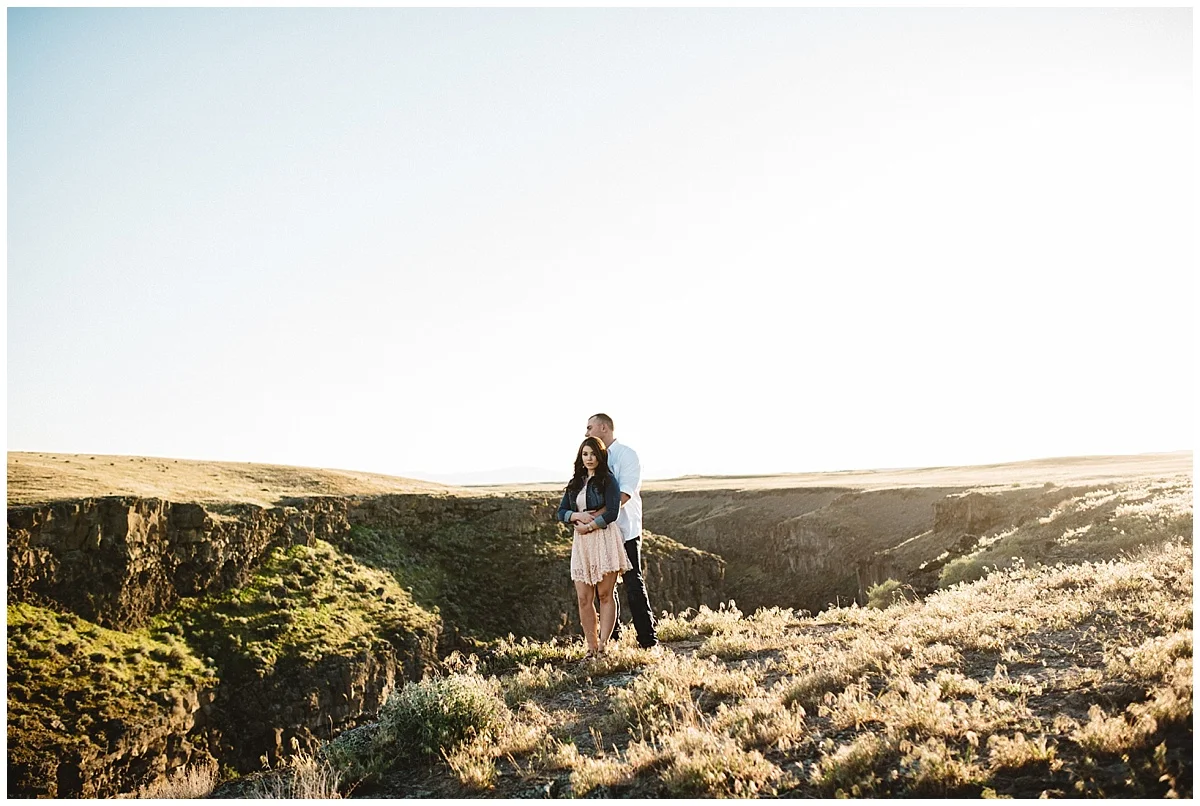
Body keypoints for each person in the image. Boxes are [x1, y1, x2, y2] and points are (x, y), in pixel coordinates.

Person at [580, 413, 659, 650]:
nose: (586, 433)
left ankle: (648, 640)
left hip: (625, 530)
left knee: (633, 582)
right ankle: (611, 639)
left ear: (604, 428)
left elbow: (625, 494)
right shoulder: (593, 459)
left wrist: (596, 516)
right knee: (605, 587)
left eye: (590, 427)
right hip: (601, 533)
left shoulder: (627, 456)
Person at [556, 436, 632, 659]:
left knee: (605, 594)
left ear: (600, 456)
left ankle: (603, 647)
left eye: (593, 454)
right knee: (583, 598)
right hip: (582, 543)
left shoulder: (608, 480)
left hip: (604, 538)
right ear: (581, 457)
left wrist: (589, 526)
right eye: (585, 454)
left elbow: (612, 511)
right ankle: (590, 647)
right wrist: (575, 515)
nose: (589, 459)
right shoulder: (575, 483)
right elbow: (561, 512)